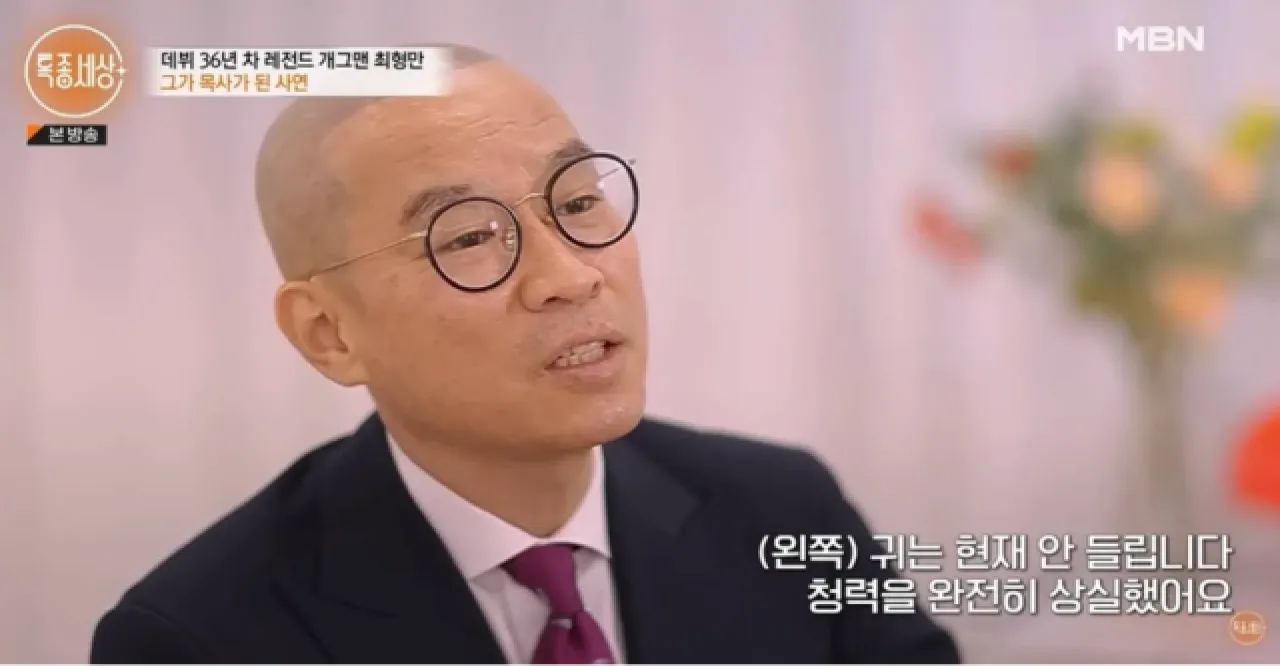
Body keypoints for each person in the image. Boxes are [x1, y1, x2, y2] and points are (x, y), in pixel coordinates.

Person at [90, 44, 961, 664]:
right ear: (329, 332)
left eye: (577, 202)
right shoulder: (202, 636)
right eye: (469, 237)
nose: (571, 276)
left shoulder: (784, 513)